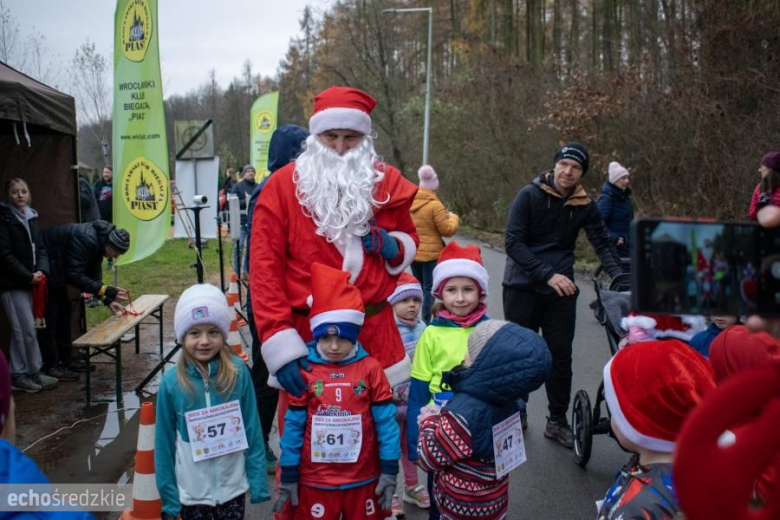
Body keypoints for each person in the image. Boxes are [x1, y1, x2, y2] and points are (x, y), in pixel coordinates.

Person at [250, 86, 417, 411]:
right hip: (306, 337)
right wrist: (280, 345)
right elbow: (264, 274)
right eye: (331, 136)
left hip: (373, 336)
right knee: (305, 447)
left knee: (375, 443)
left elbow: (408, 244)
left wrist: (389, 246)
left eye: (350, 137)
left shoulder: (387, 182)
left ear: (365, 139)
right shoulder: (281, 189)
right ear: (315, 136)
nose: (340, 148)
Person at [502, 142, 622, 448]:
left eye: (575, 167)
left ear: (582, 173)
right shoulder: (529, 195)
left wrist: (622, 278)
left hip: (561, 292)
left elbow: (603, 243)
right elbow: (513, 243)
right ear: (555, 165)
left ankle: (556, 421)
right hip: (522, 286)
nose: (567, 171)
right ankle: (517, 411)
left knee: (560, 355)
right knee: (520, 354)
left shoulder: (584, 204)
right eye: (564, 165)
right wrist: (547, 274)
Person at [272, 263, 400, 519]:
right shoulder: (305, 371)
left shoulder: (371, 369)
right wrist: (288, 474)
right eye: (325, 338)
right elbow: (293, 426)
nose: (333, 347)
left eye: (341, 338)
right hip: (315, 481)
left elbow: (386, 423)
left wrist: (389, 469)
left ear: (354, 337)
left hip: (363, 479)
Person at [155, 283, 270, 519]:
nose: (204, 341)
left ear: (223, 334)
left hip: (233, 490)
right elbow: (163, 444)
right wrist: (169, 498)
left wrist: (258, 483)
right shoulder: (171, 383)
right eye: (195, 333)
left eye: (213, 332)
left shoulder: (238, 373)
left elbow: (252, 429)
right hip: (192, 494)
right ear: (182, 336)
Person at [417, 320, 551, 519]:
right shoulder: (512, 402)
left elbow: (429, 458)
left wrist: (429, 421)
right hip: (495, 503)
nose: (464, 354)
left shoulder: (462, 417)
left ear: (485, 365)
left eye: (470, 350)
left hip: (460, 507)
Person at [407, 241, 490, 520]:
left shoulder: (490, 330)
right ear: (440, 294)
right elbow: (418, 390)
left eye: (468, 290)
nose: (461, 298)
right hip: (440, 425)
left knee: (479, 488)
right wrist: (414, 440)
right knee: (439, 493)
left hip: (479, 425)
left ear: (480, 292)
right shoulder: (431, 334)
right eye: (452, 290)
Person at [244, 124, 309, 474]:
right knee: (268, 373)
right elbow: (266, 257)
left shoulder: (281, 184)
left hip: (270, 299)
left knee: (266, 372)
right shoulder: (276, 188)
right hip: (271, 302)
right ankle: (255, 448)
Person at [597, 339, 715, 520]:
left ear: (640, 422)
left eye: (616, 409)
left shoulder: (641, 507)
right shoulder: (690, 472)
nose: (613, 417)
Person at [38, 221, 130, 380]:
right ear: (110, 245)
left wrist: (107, 299)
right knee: (51, 318)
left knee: (65, 314)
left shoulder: (99, 243)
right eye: (117, 253)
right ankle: (51, 366)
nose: (116, 257)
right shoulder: (87, 239)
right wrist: (106, 290)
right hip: (47, 266)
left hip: (58, 270)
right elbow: (73, 274)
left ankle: (67, 361)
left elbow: (93, 275)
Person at [0, 179, 58, 393]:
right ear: (8, 195)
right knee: (23, 330)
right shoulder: (4, 218)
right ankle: (20, 374)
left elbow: (40, 247)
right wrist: (27, 276)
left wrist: (42, 271)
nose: (20, 195)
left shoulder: (31, 216)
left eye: (24, 191)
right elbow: (4, 255)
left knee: (27, 329)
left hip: (32, 281)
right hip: (13, 284)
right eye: (15, 192)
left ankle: (31, 371)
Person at [387, 272, 430, 516]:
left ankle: (411, 487)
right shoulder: (388, 330)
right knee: (390, 447)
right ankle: (389, 491)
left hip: (414, 403)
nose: (412, 305)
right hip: (392, 404)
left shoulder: (424, 328)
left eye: (416, 300)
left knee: (410, 446)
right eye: (404, 301)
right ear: (392, 303)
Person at [410, 165, 459, 323]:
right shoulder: (435, 205)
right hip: (431, 255)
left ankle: (415, 320)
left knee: (419, 288)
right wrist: (453, 218)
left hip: (414, 253)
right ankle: (425, 322)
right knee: (429, 289)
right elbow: (447, 230)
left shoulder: (410, 202)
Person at [596, 161, 633, 259]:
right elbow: (596, 223)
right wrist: (612, 238)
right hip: (616, 249)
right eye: (623, 178)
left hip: (628, 247)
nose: (627, 181)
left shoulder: (624, 198)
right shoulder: (606, 199)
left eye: (627, 178)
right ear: (615, 180)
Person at [230, 165, 257, 277]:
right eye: (248, 171)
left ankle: (246, 271)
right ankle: (236, 271)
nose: (250, 173)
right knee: (239, 247)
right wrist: (247, 201)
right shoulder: (237, 186)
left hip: (253, 221)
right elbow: (232, 202)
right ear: (244, 174)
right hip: (240, 222)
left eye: (252, 171)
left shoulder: (257, 186)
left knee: (251, 248)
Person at [749, 151, 780, 227]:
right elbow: (751, 216)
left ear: (770, 169)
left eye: (763, 166)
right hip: (763, 232)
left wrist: (774, 207)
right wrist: (758, 208)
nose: (760, 170)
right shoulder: (759, 188)